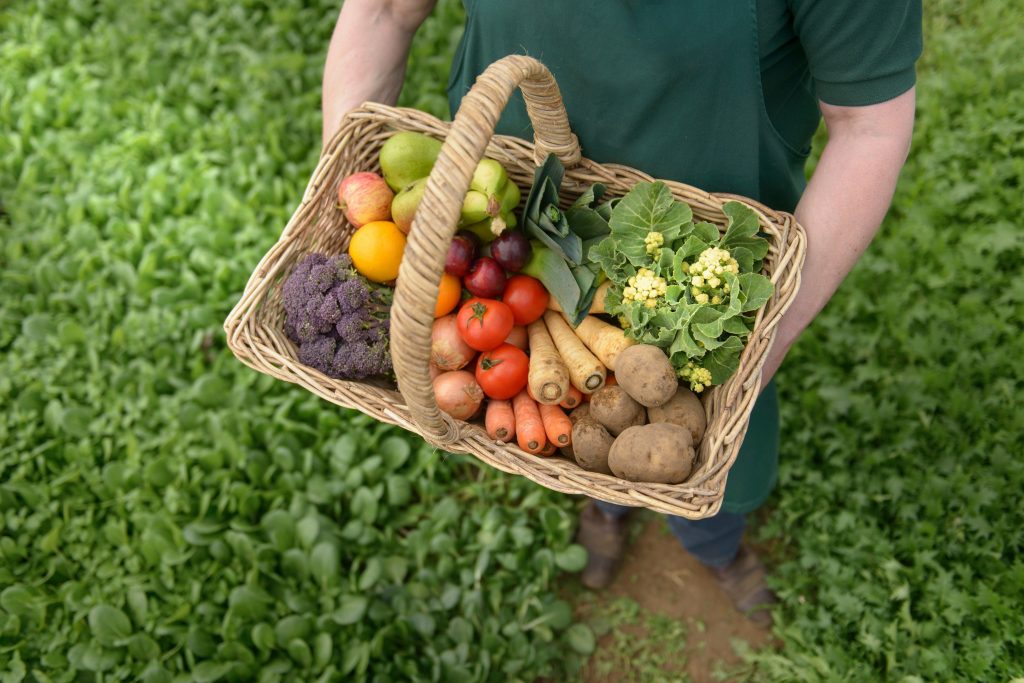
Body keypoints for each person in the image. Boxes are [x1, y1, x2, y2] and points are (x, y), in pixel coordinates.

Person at [322, 0, 921, 628]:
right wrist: (346, 205)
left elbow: (869, 126)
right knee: (576, 419)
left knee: (703, 440)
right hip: (505, 229)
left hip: (696, 252)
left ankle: (714, 544)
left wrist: (762, 346)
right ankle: (604, 502)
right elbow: (385, 10)